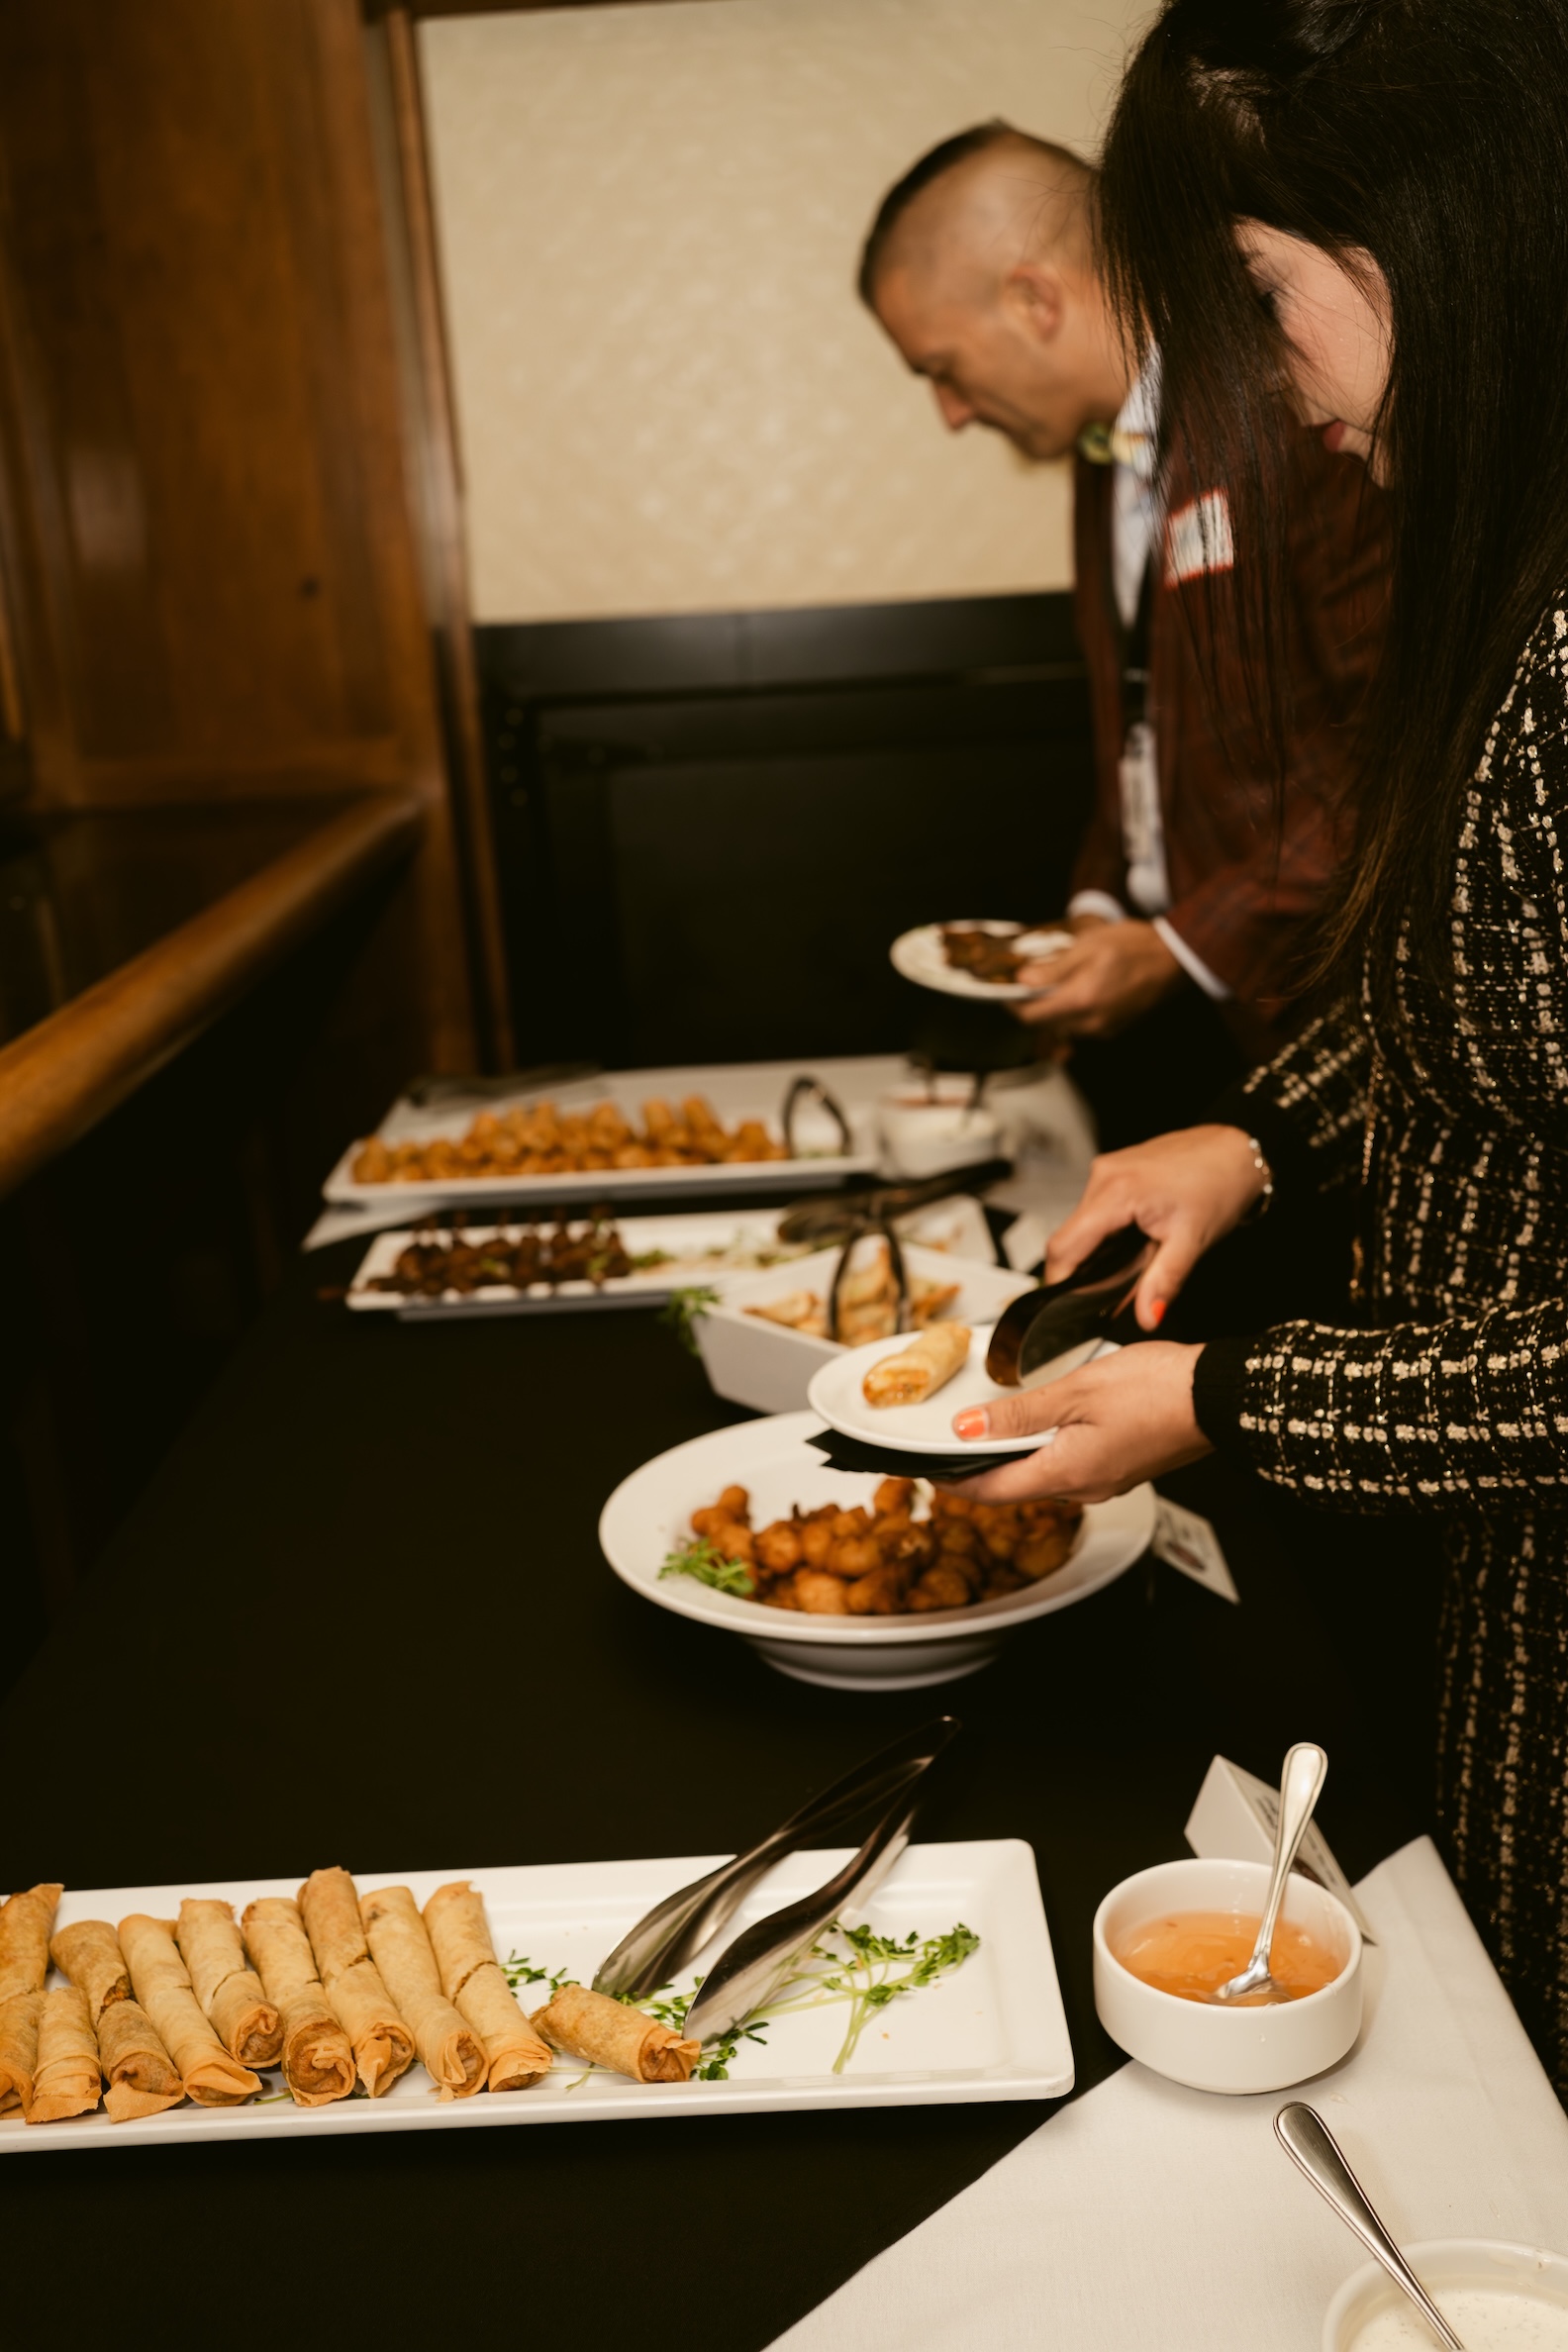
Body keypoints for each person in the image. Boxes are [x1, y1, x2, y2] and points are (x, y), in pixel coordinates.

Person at [948, 0, 1568, 2099]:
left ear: (1432, 235)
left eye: (1258, 290)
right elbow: (1470, 990)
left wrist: (1224, 1393)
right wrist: (1262, 1137)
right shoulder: (1511, 552)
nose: (1264, 378)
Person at [860, 125, 1387, 1139]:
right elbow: (1139, 722)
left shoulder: (1299, 406)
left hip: (1347, 1032)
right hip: (1207, 1021)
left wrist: (1177, 946)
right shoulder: (1100, 451)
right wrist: (1097, 915)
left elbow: (1393, 756)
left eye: (943, 368)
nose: (951, 413)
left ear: (1035, 300)